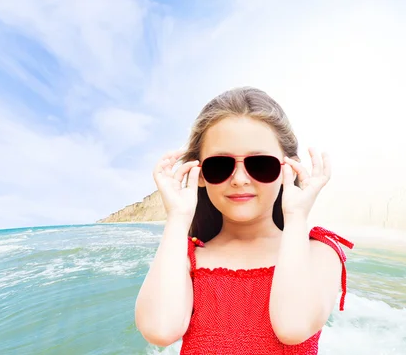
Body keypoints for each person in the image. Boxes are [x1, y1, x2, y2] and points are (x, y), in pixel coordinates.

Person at [134, 87, 354, 354]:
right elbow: (159, 330)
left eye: (260, 164)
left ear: (289, 168)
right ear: (199, 173)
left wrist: (296, 217)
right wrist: (178, 219)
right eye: (220, 166)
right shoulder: (185, 259)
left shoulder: (319, 252)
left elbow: (293, 327)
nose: (239, 178)